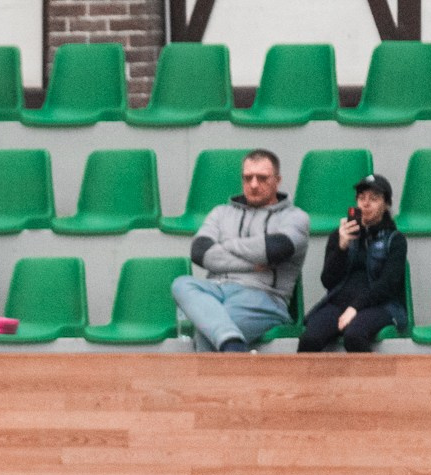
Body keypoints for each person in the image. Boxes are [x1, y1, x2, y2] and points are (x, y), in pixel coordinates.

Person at [173, 149, 310, 352]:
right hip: (216, 289)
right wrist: (253, 264)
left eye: (262, 178)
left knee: (208, 332)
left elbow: (274, 250)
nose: (253, 184)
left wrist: (226, 245)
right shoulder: (220, 213)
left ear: (277, 180)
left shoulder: (295, 217)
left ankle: (230, 346)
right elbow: (200, 252)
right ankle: (233, 345)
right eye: (248, 178)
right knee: (182, 284)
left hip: (263, 297)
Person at [299, 173, 406, 353]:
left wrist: (355, 307)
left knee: (354, 335)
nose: (366, 204)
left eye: (374, 199)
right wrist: (341, 247)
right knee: (310, 338)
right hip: (338, 303)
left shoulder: (395, 240)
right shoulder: (340, 234)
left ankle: (370, 374)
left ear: (386, 204)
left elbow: (388, 285)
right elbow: (328, 281)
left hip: (380, 305)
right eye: (361, 198)